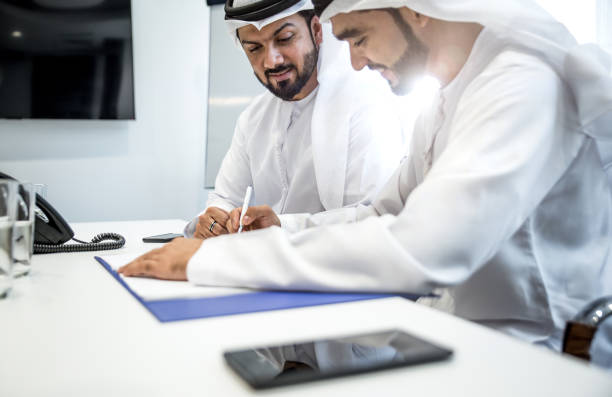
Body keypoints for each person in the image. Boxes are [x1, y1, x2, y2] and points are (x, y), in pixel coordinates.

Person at [119, 0, 612, 351]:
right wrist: (283, 228)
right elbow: (384, 213)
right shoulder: (446, 100)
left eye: (358, 36)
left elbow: (425, 249)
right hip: (460, 335)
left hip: (538, 352)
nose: (354, 60)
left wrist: (209, 263)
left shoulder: (521, 83)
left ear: (416, 8)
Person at [184, 0, 405, 239]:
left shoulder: (366, 101)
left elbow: (373, 219)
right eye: (254, 49)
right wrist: (216, 219)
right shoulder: (254, 118)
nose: (272, 61)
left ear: (317, 30)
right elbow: (225, 198)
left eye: (285, 38)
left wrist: (282, 225)